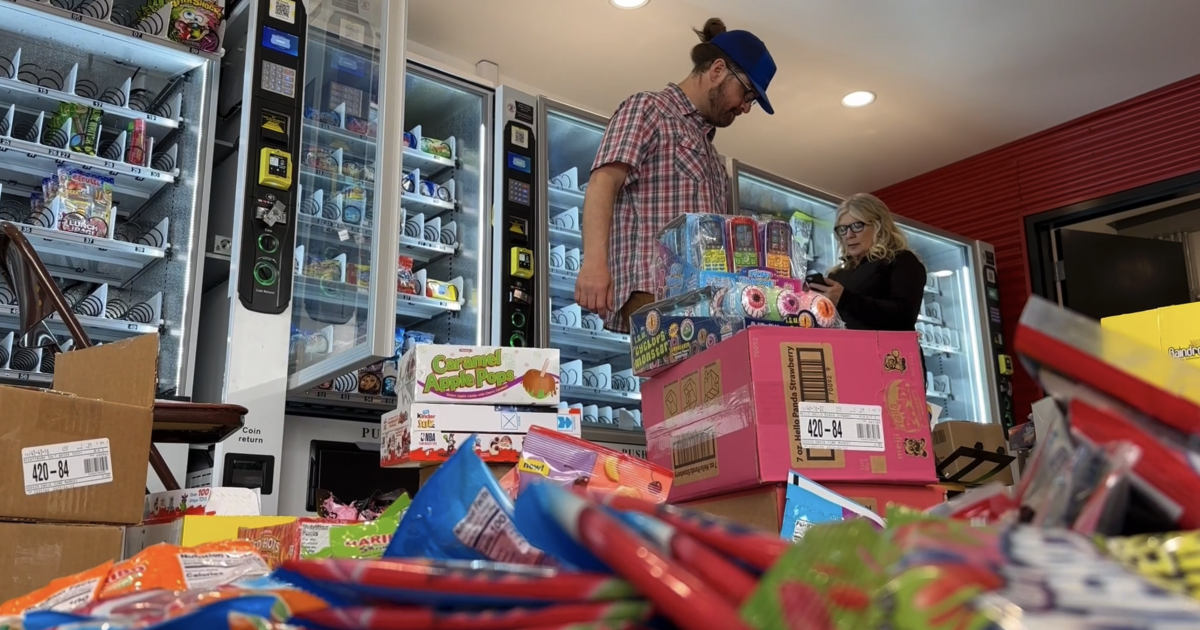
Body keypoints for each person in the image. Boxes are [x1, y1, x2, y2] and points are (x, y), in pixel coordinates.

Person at [574, 17, 777, 333]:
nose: (745, 108)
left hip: (710, 306)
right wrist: (593, 264)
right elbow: (604, 181)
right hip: (654, 292)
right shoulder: (648, 108)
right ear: (718, 70)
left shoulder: (713, 158)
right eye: (747, 94)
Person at [809, 193, 926, 331]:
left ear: (879, 226)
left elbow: (904, 316)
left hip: (887, 345)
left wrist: (845, 299)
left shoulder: (901, 260)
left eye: (857, 226)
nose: (849, 235)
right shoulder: (837, 274)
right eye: (843, 229)